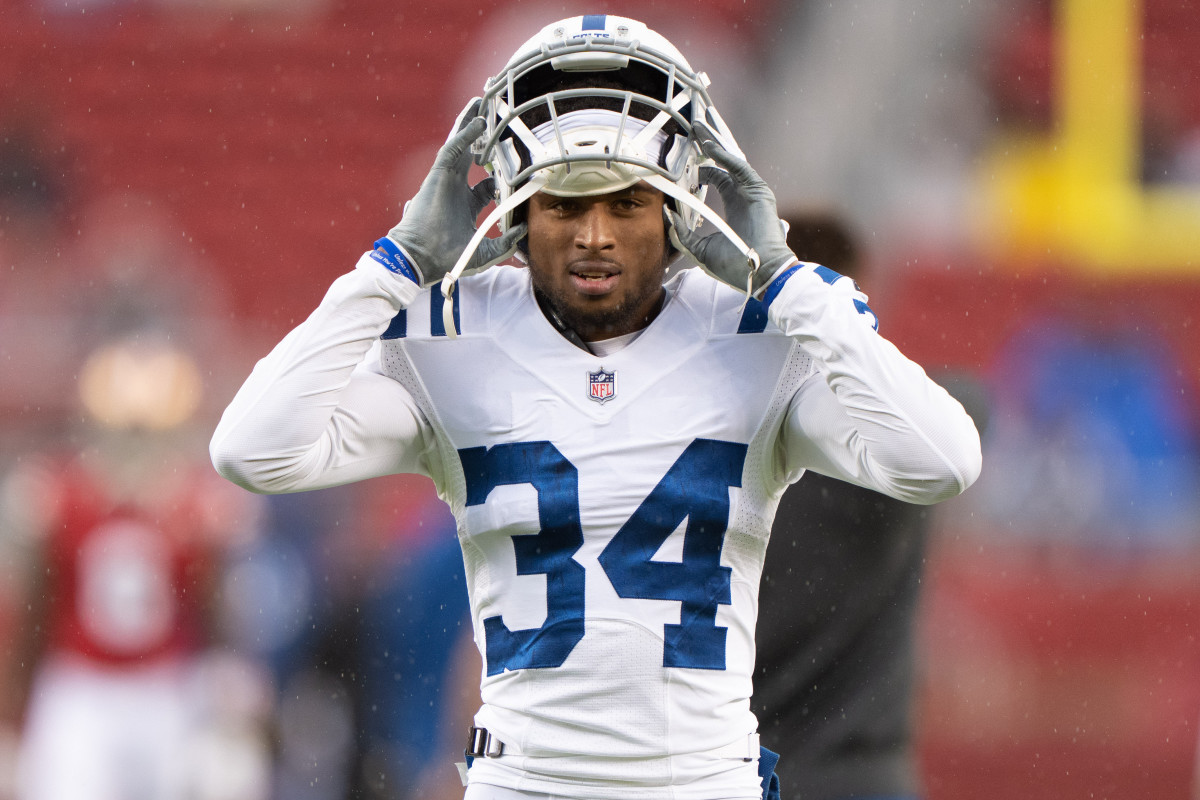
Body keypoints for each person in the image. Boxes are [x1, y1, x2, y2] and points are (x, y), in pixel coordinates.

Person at [209, 15, 982, 800]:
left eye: (627, 203)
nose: (595, 237)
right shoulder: (455, 334)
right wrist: (395, 264)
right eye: (564, 206)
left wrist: (782, 275)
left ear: (679, 208)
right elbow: (253, 449)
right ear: (514, 212)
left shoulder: (756, 330)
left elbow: (942, 461)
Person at [751, 212, 988, 800]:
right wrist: (845, 332)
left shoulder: (717, 447)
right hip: (864, 773)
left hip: (738, 768)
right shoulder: (898, 445)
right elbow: (966, 409)